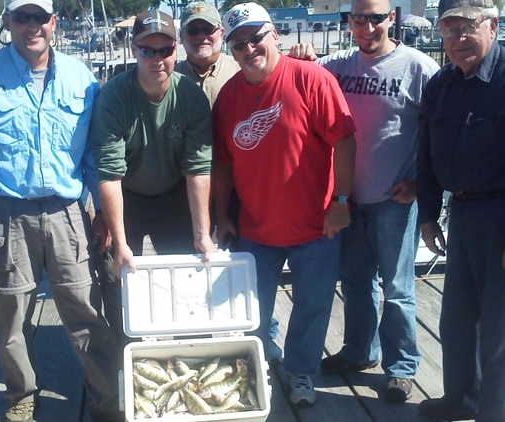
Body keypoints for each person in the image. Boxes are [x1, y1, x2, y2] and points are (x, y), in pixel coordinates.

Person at [0, 0, 122, 421]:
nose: (32, 26)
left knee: (85, 310)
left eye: (40, 17)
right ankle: (21, 399)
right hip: (3, 214)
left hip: (68, 211)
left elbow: (95, 153)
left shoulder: (82, 77)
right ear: (8, 22)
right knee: (11, 317)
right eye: (22, 17)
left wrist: (106, 212)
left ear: (54, 22)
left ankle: (109, 401)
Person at [212, 2, 356, 406]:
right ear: (231, 50)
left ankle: (302, 372)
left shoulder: (312, 77)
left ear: (275, 34)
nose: (249, 48)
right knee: (251, 311)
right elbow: (222, 162)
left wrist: (341, 201)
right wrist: (222, 215)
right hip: (255, 229)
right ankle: (257, 364)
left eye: (256, 37)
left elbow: (345, 140)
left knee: (312, 307)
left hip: (316, 227)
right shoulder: (227, 97)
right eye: (239, 44)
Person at [316, 0, 440, 403]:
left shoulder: (420, 67)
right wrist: (298, 54)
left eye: (375, 18)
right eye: (358, 18)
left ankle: (402, 366)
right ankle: (359, 351)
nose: (366, 26)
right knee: (354, 283)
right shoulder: (339, 64)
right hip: (349, 198)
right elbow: (298, 71)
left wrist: (422, 183)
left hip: (394, 200)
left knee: (398, 289)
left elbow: (443, 132)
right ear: (349, 21)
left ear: (392, 19)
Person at [417, 0, 505, 420]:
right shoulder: (441, 85)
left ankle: (492, 412)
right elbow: (426, 153)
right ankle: (461, 400)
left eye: (467, 27)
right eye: (449, 30)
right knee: (456, 321)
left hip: (501, 216)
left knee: (498, 331)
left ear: (492, 24)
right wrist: (428, 213)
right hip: (463, 215)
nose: (457, 39)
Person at [88, 10, 215, 277]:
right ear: (134, 49)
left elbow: (198, 169)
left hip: (173, 194)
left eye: (165, 51)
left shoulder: (191, 97)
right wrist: (121, 244)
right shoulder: (112, 97)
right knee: (114, 271)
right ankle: (119, 318)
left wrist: (202, 234)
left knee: (188, 270)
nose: (157, 59)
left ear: (175, 49)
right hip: (126, 195)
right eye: (147, 51)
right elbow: (109, 175)